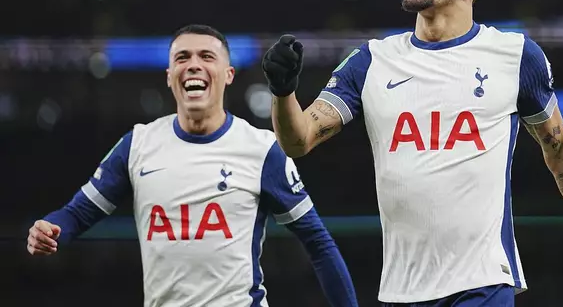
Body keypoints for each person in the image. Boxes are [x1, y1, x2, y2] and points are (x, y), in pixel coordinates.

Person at [261, 0, 563, 306]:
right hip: (401, 289)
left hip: (482, 282)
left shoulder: (515, 55)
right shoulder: (371, 61)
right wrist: (283, 92)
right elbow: (299, 140)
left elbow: (559, 148)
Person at [27, 24, 359, 307]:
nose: (194, 65)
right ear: (169, 75)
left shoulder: (262, 149)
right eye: (182, 58)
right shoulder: (138, 144)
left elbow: (318, 243)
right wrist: (51, 228)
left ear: (228, 75)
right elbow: (78, 214)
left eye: (207, 57)